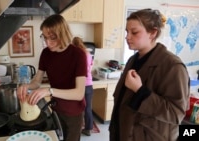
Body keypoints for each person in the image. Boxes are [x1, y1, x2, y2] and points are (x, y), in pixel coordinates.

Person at [109, 9, 190, 141]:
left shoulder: (173, 66)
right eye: (127, 32)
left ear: (153, 33)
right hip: (123, 132)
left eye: (134, 32)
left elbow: (176, 114)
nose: (127, 37)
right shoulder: (133, 60)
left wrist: (140, 91)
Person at [17, 14, 87, 141]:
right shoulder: (46, 54)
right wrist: (26, 86)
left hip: (73, 113)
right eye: (44, 37)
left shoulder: (78, 55)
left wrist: (49, 90)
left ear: (63, 34)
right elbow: (37, 81)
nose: (47, 43)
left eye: (52, 38)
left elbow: (79, 93)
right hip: (56, 108)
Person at [72, 37, 94, 136]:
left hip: (79, 85)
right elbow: (91, 66)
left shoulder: (76, 55)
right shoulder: (88, 54)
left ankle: (78, 128)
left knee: (78, 108)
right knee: (88, 108)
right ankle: (88, 129)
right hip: (89, 84)